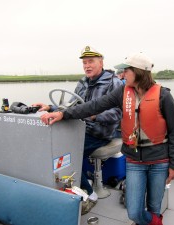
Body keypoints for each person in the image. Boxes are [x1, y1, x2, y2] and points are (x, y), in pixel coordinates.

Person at [40, 52, 174, 225]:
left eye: (125, 70)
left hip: (159, 160)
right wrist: (62, 113)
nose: (121, 74)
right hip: (135, 160)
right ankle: (154, 221)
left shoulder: (163, 95)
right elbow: (93, 106)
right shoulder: (122, 91)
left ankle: (154, 220)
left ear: (138, 72)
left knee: (154, 206)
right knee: (135, 212)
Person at [33, 46, 123, 213]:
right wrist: (51, 108)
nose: (87, 66)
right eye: (84, 63)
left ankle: (89, 195)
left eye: (91, 62)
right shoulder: (82, 82)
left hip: (100, 132)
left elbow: (118, 113)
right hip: (78, 128)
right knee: (53, 149)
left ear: (101, 62)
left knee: (71, 153)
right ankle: (71, 187)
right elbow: (70, 107)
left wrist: (95, 116)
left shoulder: (114, 83)